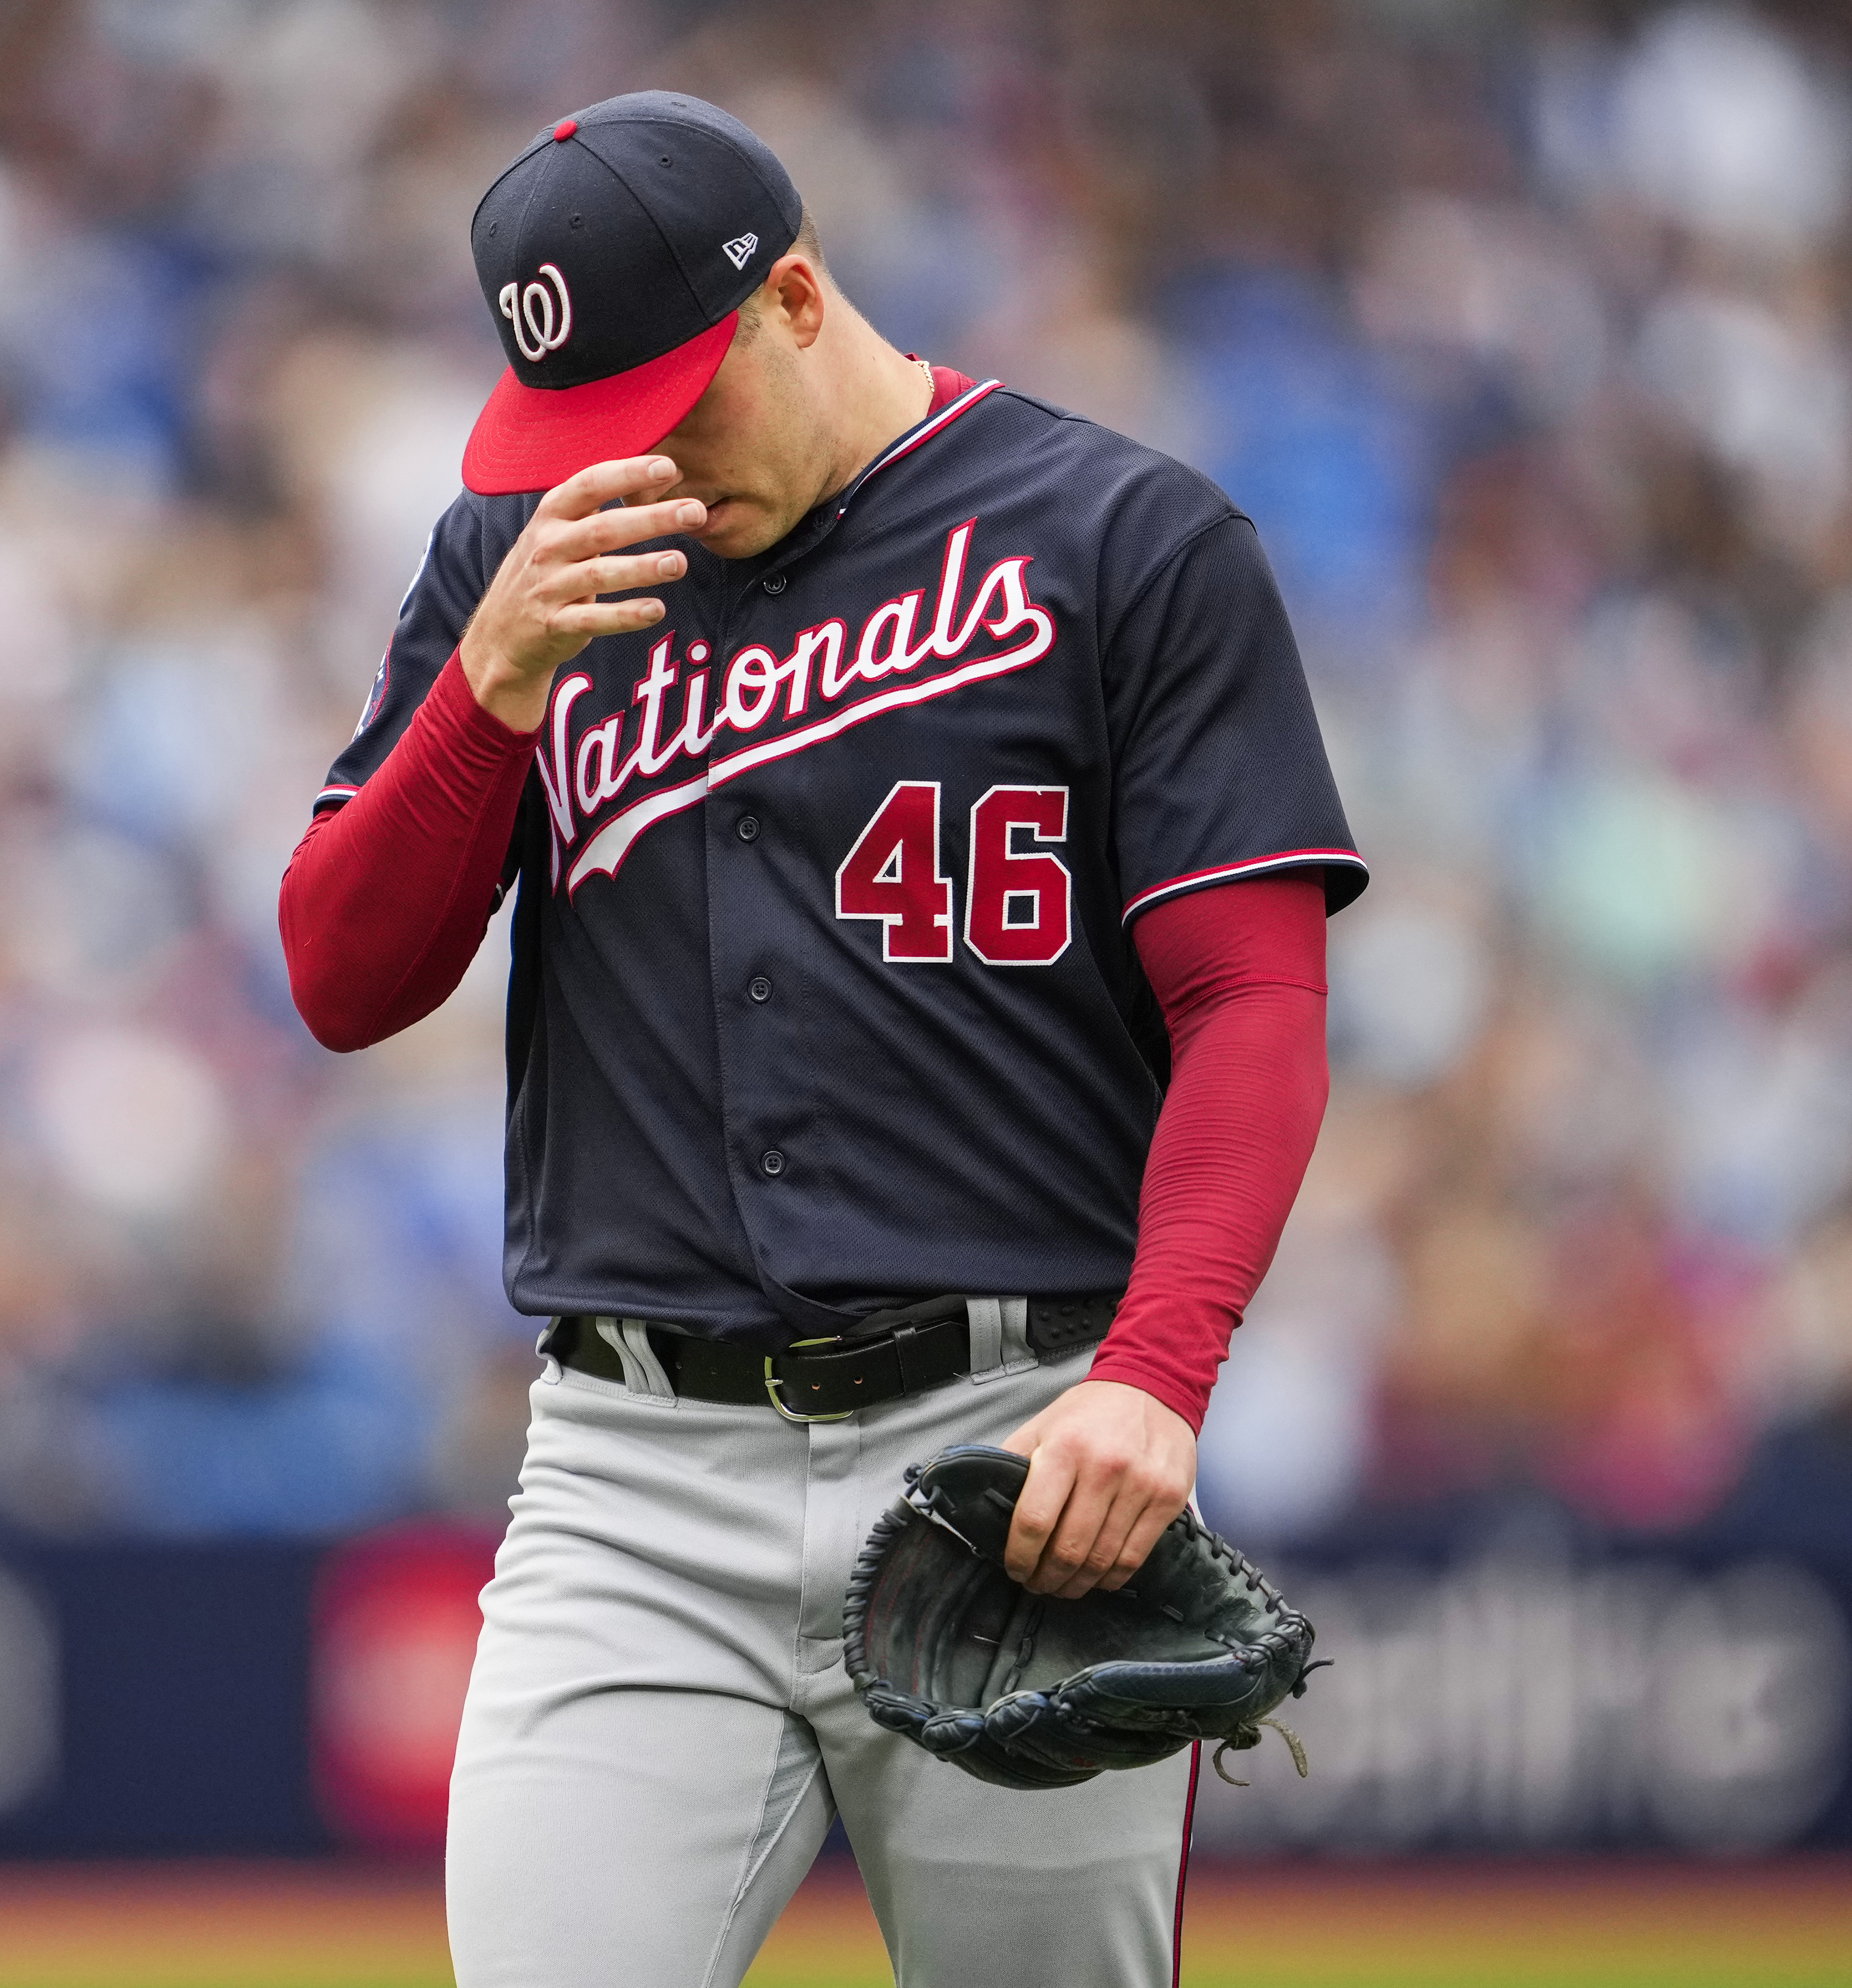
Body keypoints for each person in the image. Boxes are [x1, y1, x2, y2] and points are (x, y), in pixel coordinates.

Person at [280, 89, 1362, 1988]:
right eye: (591, 426)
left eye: (674, 406)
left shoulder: (1124, 539)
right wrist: (490, 692)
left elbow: (1252, 1001)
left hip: (1013, 1457)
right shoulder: (522, 568)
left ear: (795, 297)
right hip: (631, 1471)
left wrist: (1159, 1375)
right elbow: (345, 981)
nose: (646, 470)